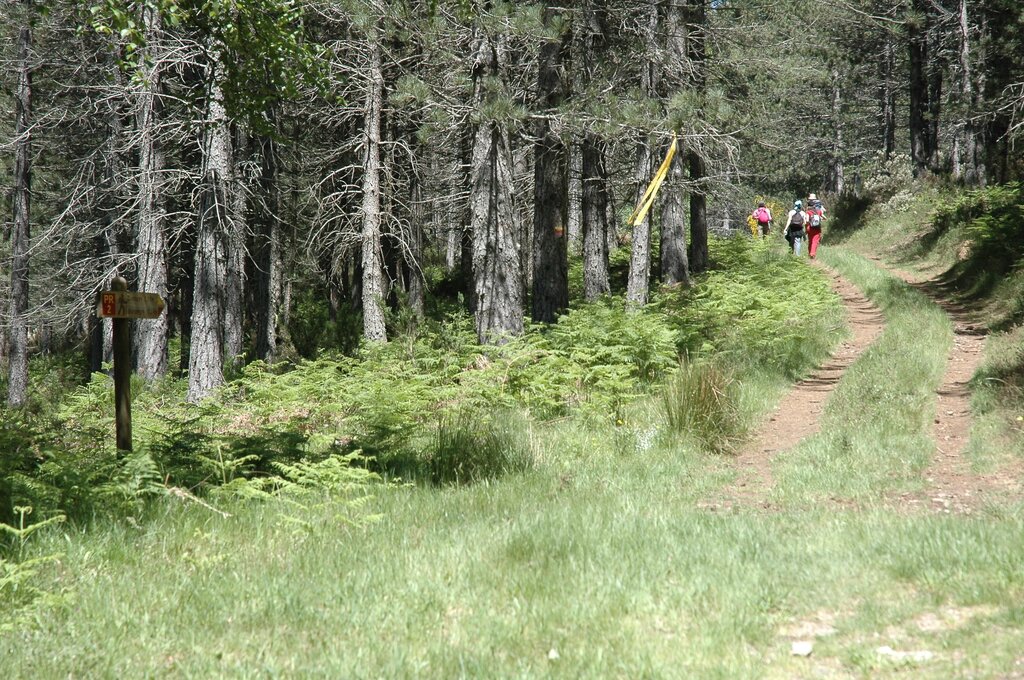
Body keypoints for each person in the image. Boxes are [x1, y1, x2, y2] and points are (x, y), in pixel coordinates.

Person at [805, 193, 826, 259]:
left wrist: (807, 226)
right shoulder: (819, 211)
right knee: (815, 241)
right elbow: (824, 217)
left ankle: (809, 253)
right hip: (817, 228)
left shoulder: (808, 212)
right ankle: (812, 253)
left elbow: (807, 220)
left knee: (810, 241)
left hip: (809, 228)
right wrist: (821, 219)